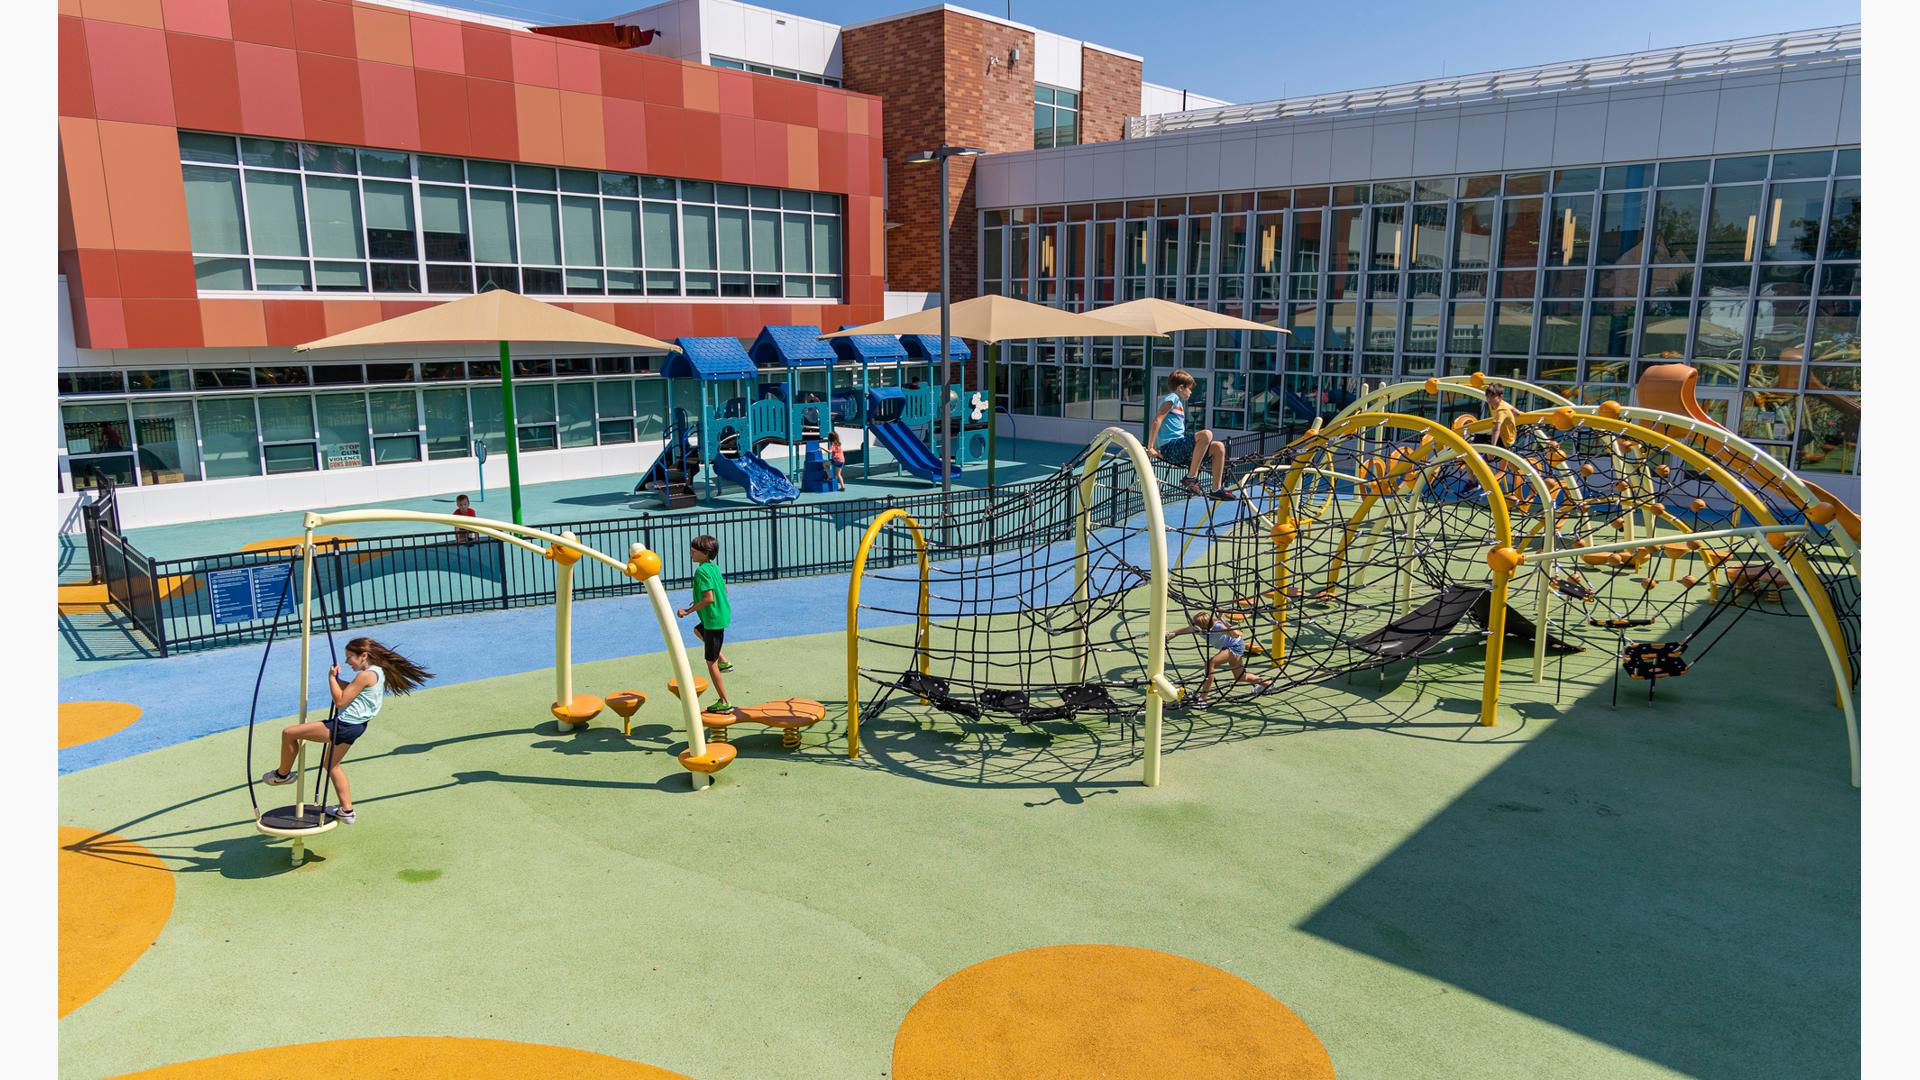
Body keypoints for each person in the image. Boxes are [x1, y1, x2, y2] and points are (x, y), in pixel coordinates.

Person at [260, 637, 434, 823]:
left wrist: (330, 679)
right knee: (331, 765)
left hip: (344, 725)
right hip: (356, 727)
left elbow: (341, 701)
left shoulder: (364, 675)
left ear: (364, 656)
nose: (347, 661)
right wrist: (338, 680)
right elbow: (352, 689)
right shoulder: (377, 672)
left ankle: (282, 775)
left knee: (289, 733)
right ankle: (347, 811)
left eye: (350, 657)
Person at [1145, 369, 1232, 500]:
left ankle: (1216, 489)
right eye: (1189, 389)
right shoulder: (1172, 398)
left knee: (1219, 447)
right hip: (1171, 448)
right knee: (1206, 434)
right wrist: (1151, 446)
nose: (1191, 392)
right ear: (1181, 388)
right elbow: (1157, 420)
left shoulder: (1178, 403)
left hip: (1179, 449)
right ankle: (1191, 478)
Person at [676, 534, 736, 712]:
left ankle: (724, 702)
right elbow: (723, 589)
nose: (690, 553)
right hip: (719, 616)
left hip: (713, 621)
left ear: (705, 553)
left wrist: (687, 611)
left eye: (694, 551)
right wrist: (697, 601)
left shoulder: (701, 571)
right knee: (697, 631)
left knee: (711, 663)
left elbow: (709, 598)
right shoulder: (712, 568)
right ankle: (724, 660)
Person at [1166, 611, 1271, 709]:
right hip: (1229, 647)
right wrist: (1167, 637)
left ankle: (1203, 699)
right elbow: (1179, 631)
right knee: (1240, 677)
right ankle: (1268, 684)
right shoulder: (1197, 628)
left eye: (1195, 626)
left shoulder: (1218, 626)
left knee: (1210, 663)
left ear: (1204, 626)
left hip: (1235, 646)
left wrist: (1224, 621)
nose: (1193, 629)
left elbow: (1235, 634)